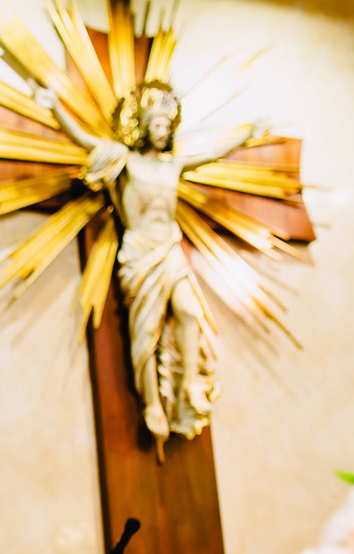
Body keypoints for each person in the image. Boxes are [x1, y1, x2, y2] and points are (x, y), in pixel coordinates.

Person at [37, 80, 264, 451]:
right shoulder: (124, 160)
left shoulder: (174, 164)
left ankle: (189, 381)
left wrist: (246, 136)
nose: (162, 130)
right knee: (147, 329)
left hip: (169, 247)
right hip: (140, 252)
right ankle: (151, 402)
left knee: (189, 312)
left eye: (166, 125)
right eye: (156, 124)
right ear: (144, 127)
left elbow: (212, 154)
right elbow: (84, 140)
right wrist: (54, 107)